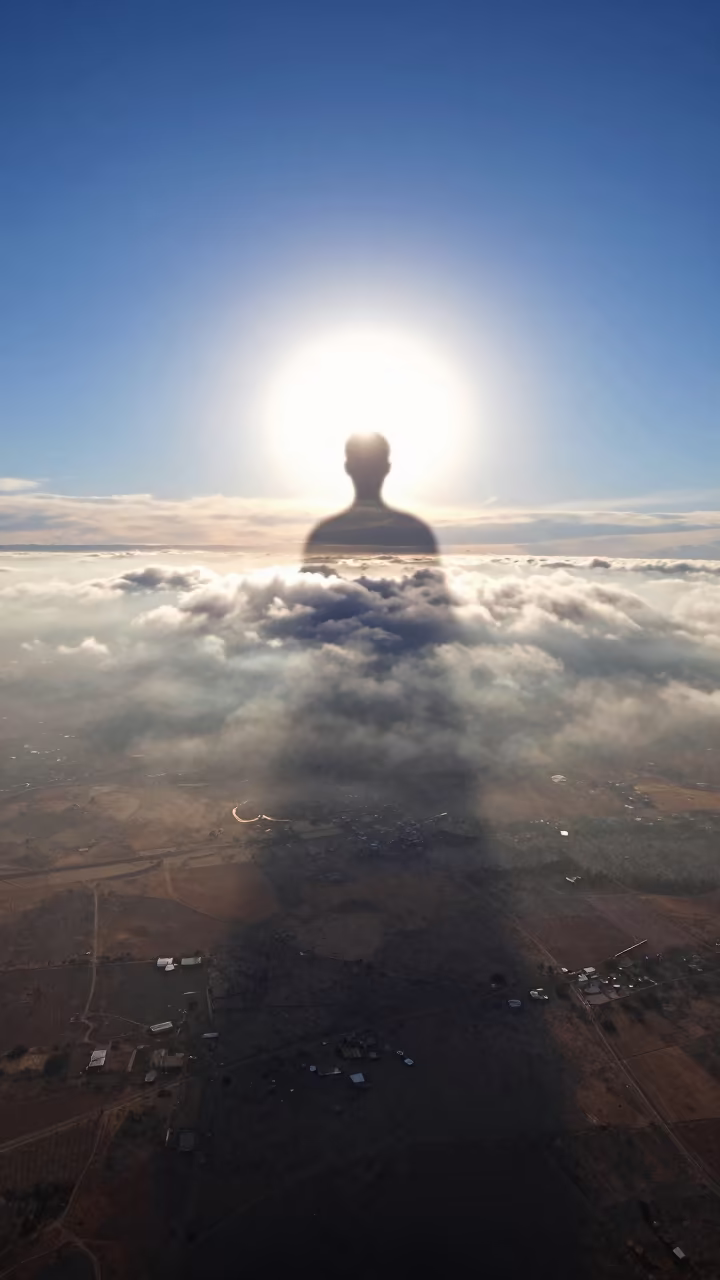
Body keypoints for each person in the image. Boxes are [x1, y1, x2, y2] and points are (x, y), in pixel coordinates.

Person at [303, 433, 438, 563]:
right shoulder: (417, 533)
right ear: (387, 467)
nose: (367, 472)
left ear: (348, 467)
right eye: (361, 462)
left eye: (371, 462)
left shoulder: (323, 534)